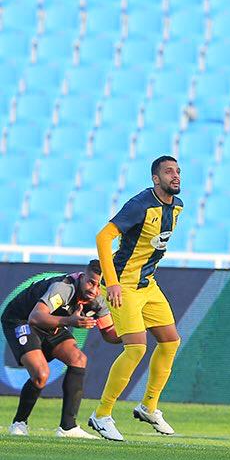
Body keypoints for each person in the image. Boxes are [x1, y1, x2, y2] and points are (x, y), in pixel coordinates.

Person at [89, 155, 184, 441]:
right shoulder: (140, 204)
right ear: (156, 178)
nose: (175, 175)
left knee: (170, 341)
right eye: (168, 172)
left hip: (147, 284)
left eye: (178, 171)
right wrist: (113, 283)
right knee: (136, 349)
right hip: (124, 286)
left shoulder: (177, 207)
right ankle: (101, 415)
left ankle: (148, 406)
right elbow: (103, 237)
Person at [1, 260, 118, 438]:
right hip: (21, 319)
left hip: (51, 324)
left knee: (79, 359)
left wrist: (135, 332)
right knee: (41, 374)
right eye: (90, 282)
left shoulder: (98, 300)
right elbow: (35, 316)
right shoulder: (63, 288)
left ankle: (68, 427)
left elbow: (110, 334)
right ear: (82, 276)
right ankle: (19, 423)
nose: (93, 290)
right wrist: (69, 321)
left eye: (99, 285)